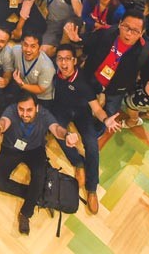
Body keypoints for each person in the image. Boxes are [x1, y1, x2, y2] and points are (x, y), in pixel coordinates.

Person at [0, 93, 77, 235]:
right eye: (21, 109)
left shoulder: (44, 114)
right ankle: (38, 196)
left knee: (39, 176)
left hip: (35, 149)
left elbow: (56, 128)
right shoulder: (11, 110)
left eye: (29, 110)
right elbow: (4, 122)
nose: (24, 114)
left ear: (36, 108)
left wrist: (67, 135)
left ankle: (26, 213)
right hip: (11, 148)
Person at [51, 45, 121, 214]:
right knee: (57, 131)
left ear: (74, 61)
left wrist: (105, 120)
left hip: (82, 113)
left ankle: (91, 189)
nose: (63, 63)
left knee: (91, 145)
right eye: (60, 58)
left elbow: (96, 109)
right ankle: (78, 162)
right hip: (62, 109)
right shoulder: (54, 73)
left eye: (67, 58)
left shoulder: (83, 82)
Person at [65, 9, 149, 117]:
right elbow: (88, 40)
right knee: (77, 104)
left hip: (115, 90)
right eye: (126, 27)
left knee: (107, 116)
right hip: (91, 77)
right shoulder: (106, 32)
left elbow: (147, 75)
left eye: (135, 31)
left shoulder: (145, 52)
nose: (128, 33)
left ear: (142, 32)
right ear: (120, 23)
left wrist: (147, 86)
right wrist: (77, 40)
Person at [1, 33, 56, 108]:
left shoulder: (47, 66)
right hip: (22, 87)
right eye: (25, 45)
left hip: (41, 97)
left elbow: (40, 89)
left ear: (39, 48)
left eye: (33, 46)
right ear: (21, 44)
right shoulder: (15, 50)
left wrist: (22, 84)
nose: (28, 50)